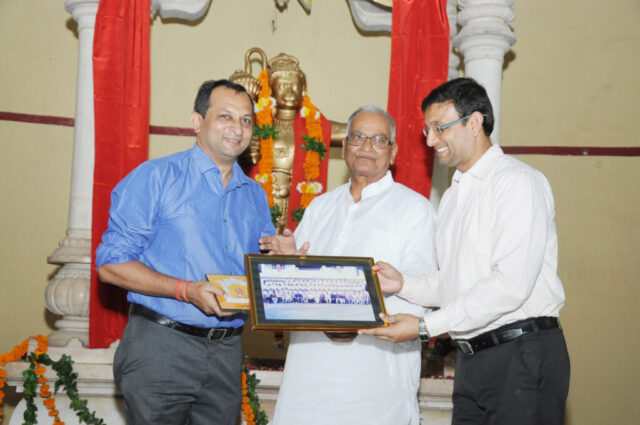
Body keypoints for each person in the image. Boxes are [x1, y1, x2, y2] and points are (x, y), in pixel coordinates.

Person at [361, 78, 570, 425]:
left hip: (521, 354)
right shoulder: (453, 197)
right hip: (472, 358)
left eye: (439, 128)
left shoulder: (517, 182)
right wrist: (403, 284)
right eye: (427, 130)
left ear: (474, 123)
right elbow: (455, 284)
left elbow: (510, 285)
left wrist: (425, 327)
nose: (430, 140)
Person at [95, 79, 276, 425]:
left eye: (246, 120)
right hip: (162, 346)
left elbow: (258, 274)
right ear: (197, 121)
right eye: (225, 116)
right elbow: (111, 265)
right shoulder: (156, 177)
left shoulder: (255, 196)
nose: (237, 128)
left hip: (227, 351)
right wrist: (185, 290)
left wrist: (282, 258)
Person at [259, 105, 437, 425]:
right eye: (357, 137)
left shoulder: (415, 210)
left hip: (373, 380)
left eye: (379, 140)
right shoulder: (320, 207)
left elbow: (423, 296)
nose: (366, 147)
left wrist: (349, 314)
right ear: (344, 148)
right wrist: (287, 263)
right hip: (308, 376)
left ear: (393, 152)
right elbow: (296, 293)